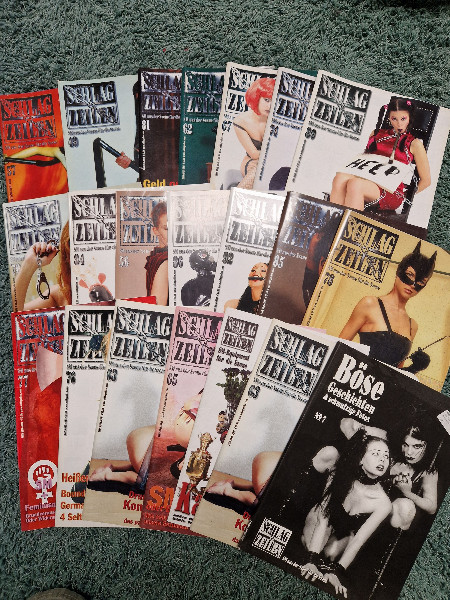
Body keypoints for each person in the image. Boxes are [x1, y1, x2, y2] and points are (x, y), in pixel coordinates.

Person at [300, 432, 392, 597]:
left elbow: (359, 540)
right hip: (320, 519)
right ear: (361, 459)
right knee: (315, 548)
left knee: (330, 557)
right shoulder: (339, 474)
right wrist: (311, 561)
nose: (382, 460)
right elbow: (323, 520)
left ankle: (324, 561)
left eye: (386, 456)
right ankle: (309, 547)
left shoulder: (384, 503)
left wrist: (336, 573)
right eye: (376, 454)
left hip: (343, 533)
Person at [339, 242, 436, 369]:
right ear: (399, 271)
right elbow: (339, 346)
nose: (413, 284)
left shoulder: (412, 326)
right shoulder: (370, 304)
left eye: (421, 281)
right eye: (410, 274)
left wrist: (413, 368)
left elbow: (395, 372)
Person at [330, 97, 431, 212]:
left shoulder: (414, 143)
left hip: (390, 190)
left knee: (355, 184)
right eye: (394, 119)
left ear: (409, 118)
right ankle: (335, 219)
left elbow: (426, 180)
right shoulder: (376, 134)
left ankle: (350, 222)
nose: (399, 124)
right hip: (369, 179)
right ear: (389, 118)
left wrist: (407, 194)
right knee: (339, 178)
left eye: (403, 119)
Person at [388, 423, 438, 530]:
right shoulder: (391, 456)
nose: (409, 452)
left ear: (426, 446)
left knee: (405, 506)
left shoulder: (428, 471)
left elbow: (432, 508)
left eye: (416, 446)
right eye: (405, 445)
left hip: (394, 519)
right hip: (371, 505)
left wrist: (407, 493)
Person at [14, 221, 71, 310]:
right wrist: (28, 265)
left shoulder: (60, 295)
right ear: (67, 257)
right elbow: (11, 313)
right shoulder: (60, 295)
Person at [233, 77, 275, 189]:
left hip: (275, 165)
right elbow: (254, 154)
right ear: (256, 97)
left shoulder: (277, 120)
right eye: (266, 100)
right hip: (252, 162)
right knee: (259, 168)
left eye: (274, 100)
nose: (270, 106)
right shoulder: (241, 121)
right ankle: (236, 194)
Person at [144, 201, 168, 304]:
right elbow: (159, 308)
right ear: (156, 230)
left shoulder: (157, 257)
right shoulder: (164, 261)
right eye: (167, 228)